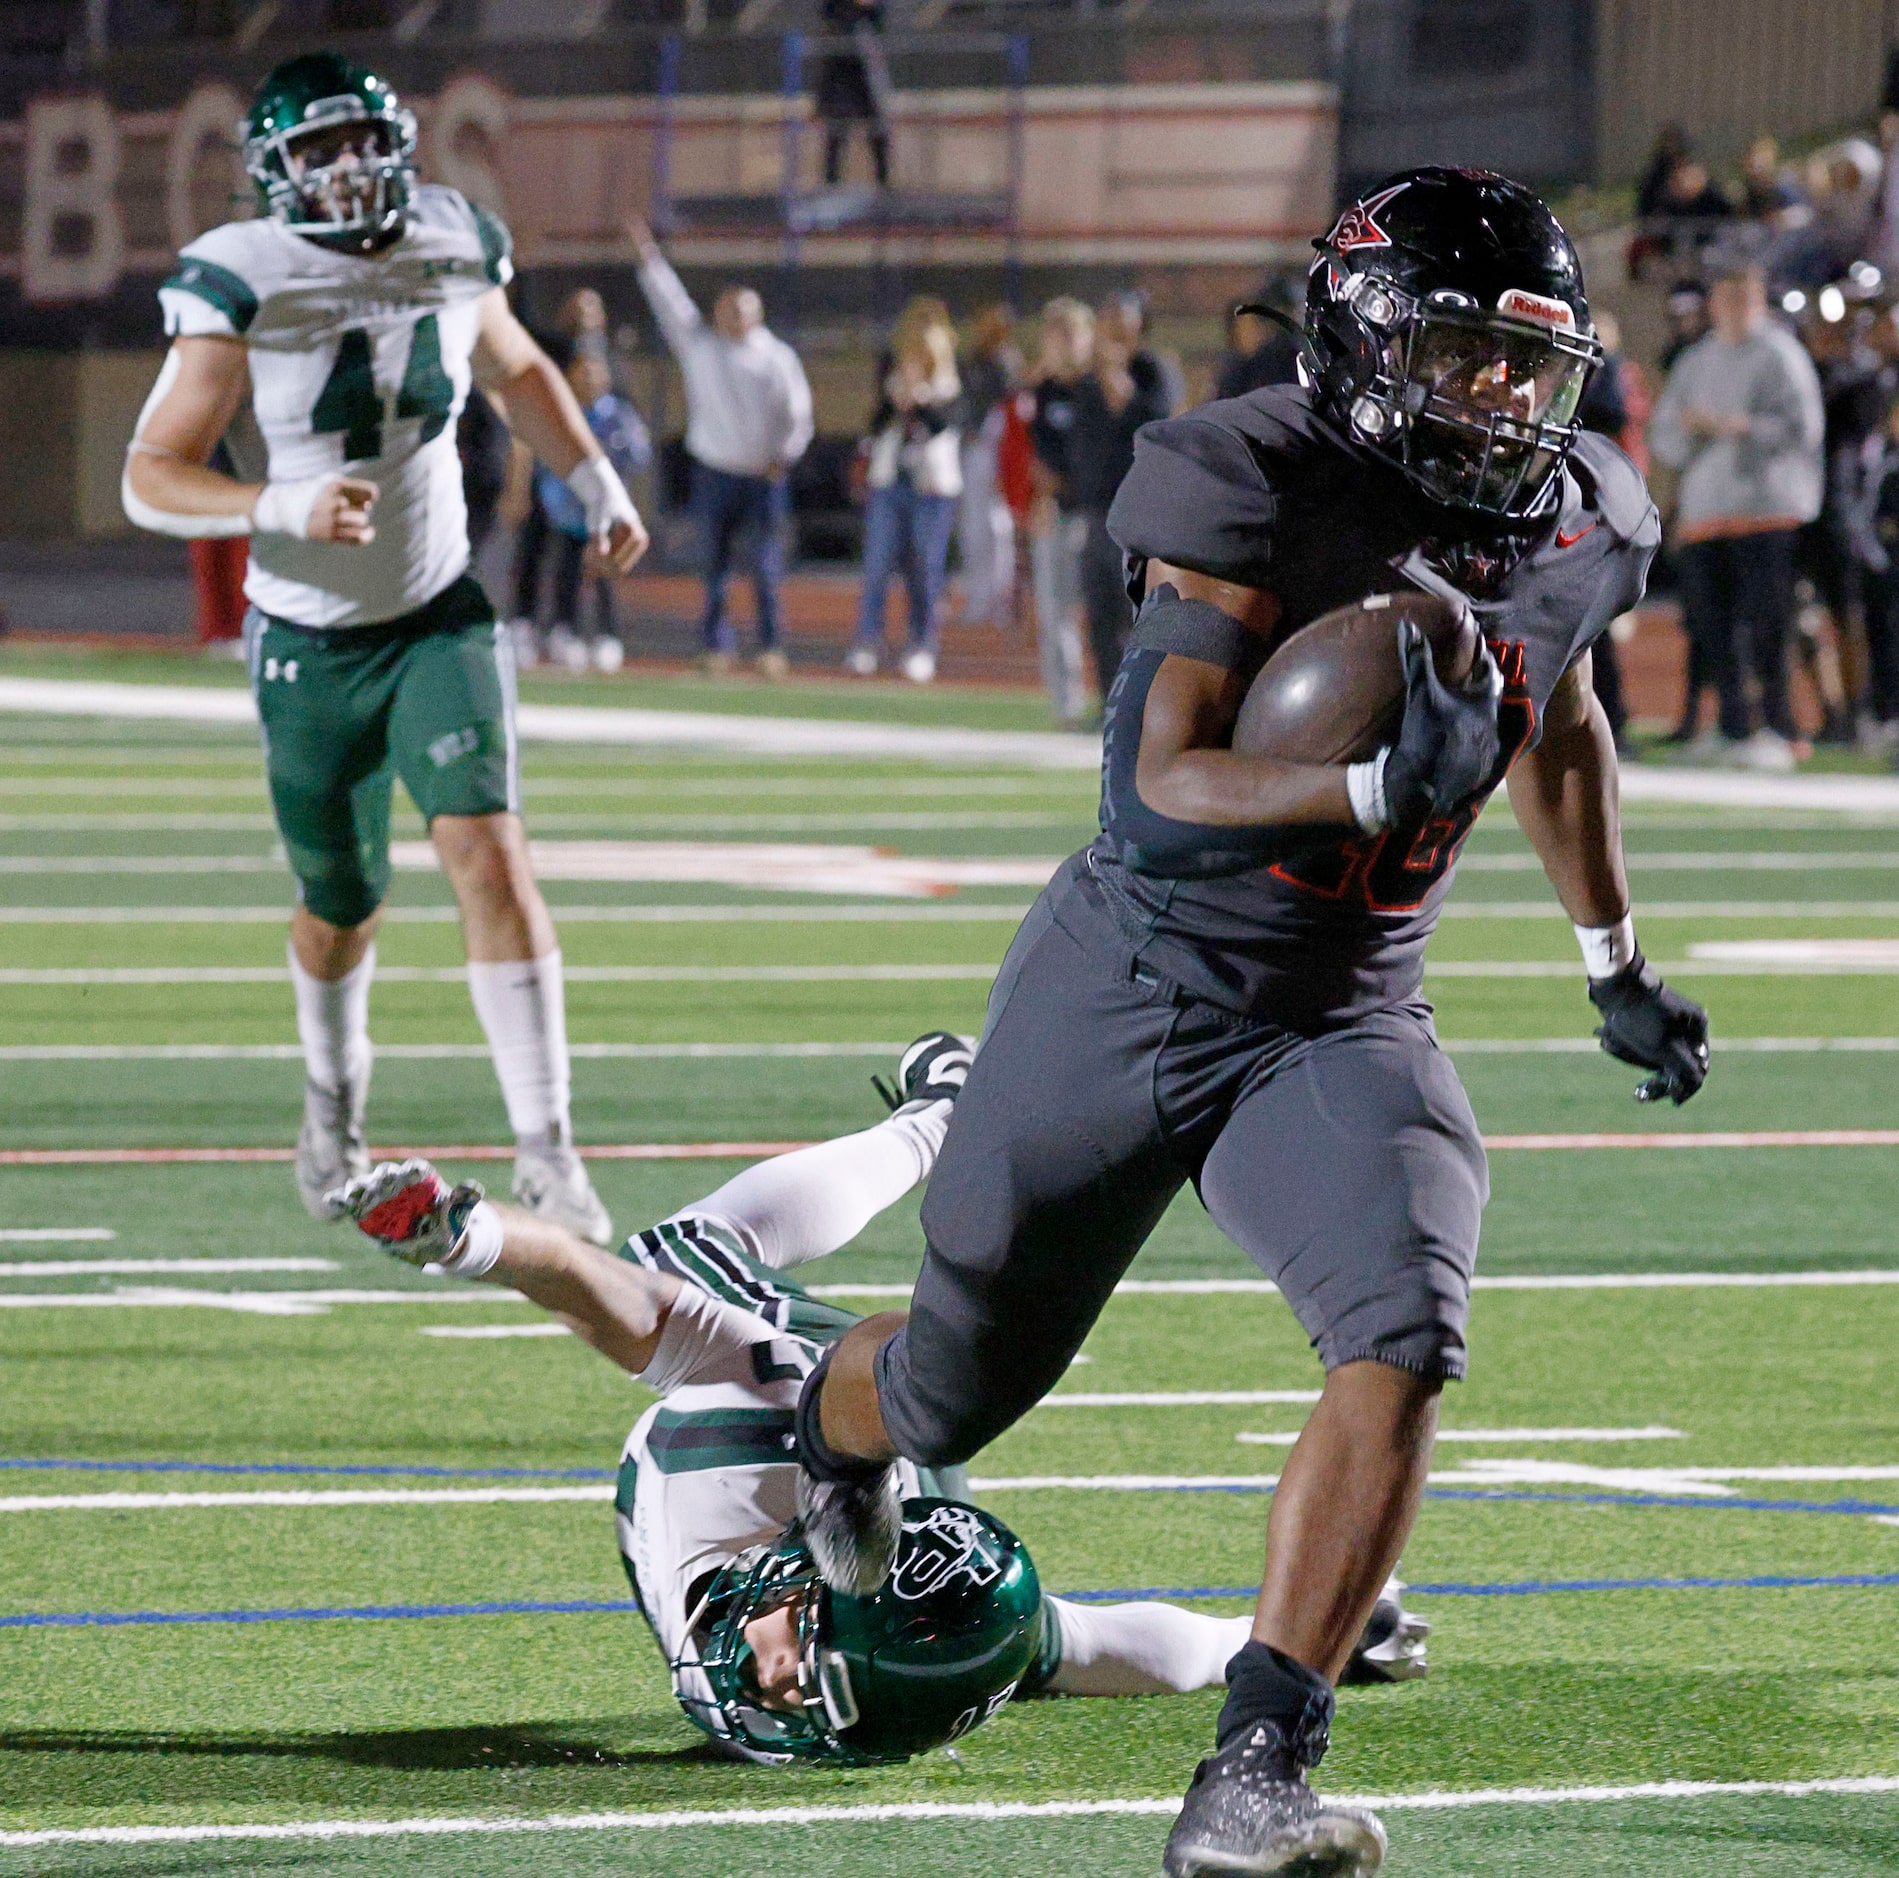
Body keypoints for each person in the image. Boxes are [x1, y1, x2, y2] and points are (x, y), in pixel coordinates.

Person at [786, 169, 1711, 1877]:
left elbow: (1564, 711)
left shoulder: (1580, 509)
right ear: (1362, 343)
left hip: (1339, 1011)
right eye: (1460, 353)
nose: (1505, 399)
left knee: (1404, 1323)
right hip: (1132, 980)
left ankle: (1254, 1772)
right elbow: (1155, 785)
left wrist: (1610, 956)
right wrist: (1362, 776)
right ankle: (825, 1446)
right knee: (946, 1380)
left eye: (1527, 361)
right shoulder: (1245, 473)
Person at [328, 1033, 1429, 1766]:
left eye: (800, 1693)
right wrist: (463, 1236)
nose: (778, 1684)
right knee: (688, 1250)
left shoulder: (922, 1656)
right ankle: (942, 1118)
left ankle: (947, 1122)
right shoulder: (750, 1431)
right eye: (811, 1662)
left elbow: (1100, 1647)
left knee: (1035, 1647)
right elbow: (609, 1295)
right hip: (830, 1396)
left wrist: (1290, 1643)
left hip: (897, 1491)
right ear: (819, 1567)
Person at [122, 52, 645, 1245]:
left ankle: (551, 1151)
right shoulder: (244, 276)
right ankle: (331, 1112)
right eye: (317, 152)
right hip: (309, 634)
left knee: (492, 858)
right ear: (274, 173)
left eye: (362, 141)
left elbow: (514, 366)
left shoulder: (455, 238)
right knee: (340, 904)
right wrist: (279, 505)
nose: (348, 169)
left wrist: (595, 477)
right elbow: (148, 474)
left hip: (436, 611)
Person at [1650, 257, 1825, 764]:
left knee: (1769, 624)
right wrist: (1693, 430)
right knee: (1713, 628)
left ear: (1758, 299)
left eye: (1741, 297)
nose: (1731, 308)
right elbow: (1667, 431)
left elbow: (1804, 428)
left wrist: (1739, 426)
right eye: (1723, 298)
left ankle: (1779, 727)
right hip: (1709, 515)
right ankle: (1732, 727)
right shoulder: (1697, 360)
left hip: (1768, 511)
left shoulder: (1781, 354)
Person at [630, 218, 813, 679]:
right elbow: (670, 305)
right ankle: (716, 646)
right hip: (714, 470)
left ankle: (771, 646)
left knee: (766, 567)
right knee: (714, 566)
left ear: (757, 315)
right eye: (725, 308)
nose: (731, 316)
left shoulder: (776, 358)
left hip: (762, 475)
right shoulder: (701, 348)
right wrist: (649, 258)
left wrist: (782, 457)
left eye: (741, 310)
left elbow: (799, 417)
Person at [847, 297, 963, 684]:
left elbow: (940, 427)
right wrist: (895, 401)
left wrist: (919, 400)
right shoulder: (891, 381)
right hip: (889, 483)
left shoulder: (950, 386)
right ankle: (868, 640)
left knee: (925, 569)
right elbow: (875, 425)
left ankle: (922, 644)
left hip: (932, 489)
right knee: (877, 565)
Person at [1067, 308, 1173, 700]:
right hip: (1098, 511)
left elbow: (1160, 423)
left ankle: (1140, 701)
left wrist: (1124, 392)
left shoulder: (1153, 373)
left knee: (1137, 610)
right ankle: (1108, 698)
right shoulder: (1088, 384)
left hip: (1140, 511)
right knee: (1099, 609)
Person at [535, 342, 653, 674]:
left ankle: (607, 637)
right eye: (581, 370)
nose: (588, 378)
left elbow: (638, 455)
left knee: (606, 574)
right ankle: (564, 631)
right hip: (567, 510)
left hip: (605, 513)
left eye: (594, 371)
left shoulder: (618, 413)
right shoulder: (560, 409)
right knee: (566, 572)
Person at [1024, 297, 1094, 728]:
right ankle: (1066, 703)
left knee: (1111, 611)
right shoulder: (1041, 393)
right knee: (1056, 612)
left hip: (1098, 510)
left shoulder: (1098, 390)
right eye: (1055, 336)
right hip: (1057, 511)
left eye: (1070, 334)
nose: (1062, 345)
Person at [955, 303, 1022, 629]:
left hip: (998, 450)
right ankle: (978, 596)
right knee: (973, 526)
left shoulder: (1008, 363)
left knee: (999, 526)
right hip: (975, 450)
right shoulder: (970, 361)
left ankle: (1000, 600)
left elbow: (1011, 410)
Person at [816, 0, 891, 190]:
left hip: (864, 75)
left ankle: (883, 180)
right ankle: (831, 182)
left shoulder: (872, 12)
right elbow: (831, 28)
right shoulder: (835, 8)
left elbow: (878, 25)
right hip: (840, 74)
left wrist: (868, 8)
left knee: (877, 128)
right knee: (837, 130)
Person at [1215, 299, 1301, 403]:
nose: (1254, 332)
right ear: (1234, 333)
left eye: (1256, 324)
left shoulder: (1277, 362)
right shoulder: (1231, 376)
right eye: (1246, 328)